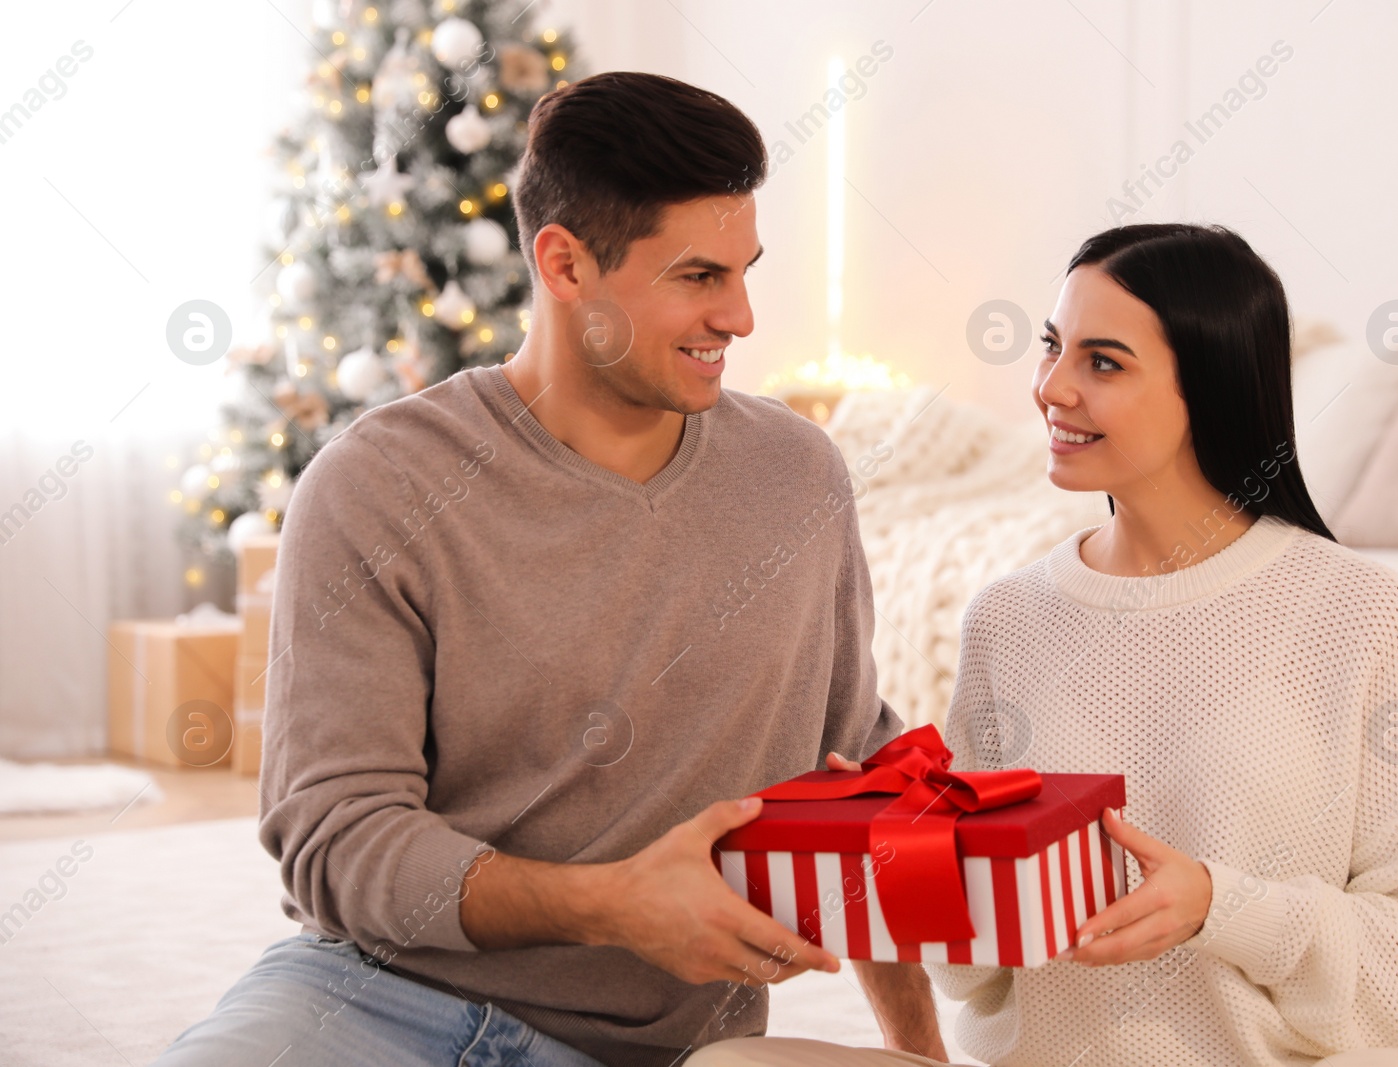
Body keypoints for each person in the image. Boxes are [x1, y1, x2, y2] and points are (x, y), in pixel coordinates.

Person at [150, 71, 907, 1067]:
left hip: (655, 1048)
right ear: (563, 264)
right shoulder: (378, 483)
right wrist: (614, 907)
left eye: (743, 270)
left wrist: (921, 1051)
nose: (742, 317)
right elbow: (336, 836)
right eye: (697, 277)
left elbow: (856, 779)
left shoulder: (796, 475)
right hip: (375, 1000)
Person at [687, 225, 1398, 1066]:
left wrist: (1221, 906)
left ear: (1208, 388)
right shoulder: (1008, 616)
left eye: (1103, 362)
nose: (1050, 388)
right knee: (729, 1064)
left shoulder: (1360, 614)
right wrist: (892, 833)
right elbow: (982, 971)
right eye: (1051, 346)